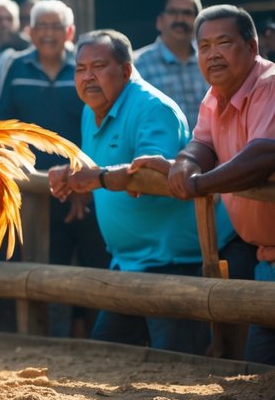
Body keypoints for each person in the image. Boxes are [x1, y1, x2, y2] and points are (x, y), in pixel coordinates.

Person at [49, 30, 234, 355]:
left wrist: (98, 178)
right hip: (129, 263)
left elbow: (152, 174)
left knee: (175, 363)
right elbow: (101, 168)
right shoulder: (90, 109)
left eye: (98, 66)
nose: (88, 76)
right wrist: (76, 178)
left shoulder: (152, 108)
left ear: (125, 71)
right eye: (80, 69)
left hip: (175, 262)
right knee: (105, 357)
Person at [129, 5, 275, 365]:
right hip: (265, 256)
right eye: (204, 46)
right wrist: (184, 163)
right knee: (258, 370)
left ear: (252, 47)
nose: (213, 54)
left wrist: (199, 184)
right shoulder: (216, 94)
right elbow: (203, 144)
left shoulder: (269, 85)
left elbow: (263, 154)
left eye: (223, 43)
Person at [0, 0, 110, 336]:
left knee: (94, 262)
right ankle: (45, 338)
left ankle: (92, 337)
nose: (49, 33)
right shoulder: (16, 68)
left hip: (86, 187)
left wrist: (81, 180)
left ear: (70, 32)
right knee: (43, 263)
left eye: (56, 27)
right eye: (42, 27)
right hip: (33, 190)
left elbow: (99, 124)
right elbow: (3, 126)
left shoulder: (83, 67)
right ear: (30, 32)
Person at [132, 0, 206, 129]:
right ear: (159, 21)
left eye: (187, 13)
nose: (180, 19)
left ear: (199, 22)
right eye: (173, 12)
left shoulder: (209, 62)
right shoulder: (137, 64)